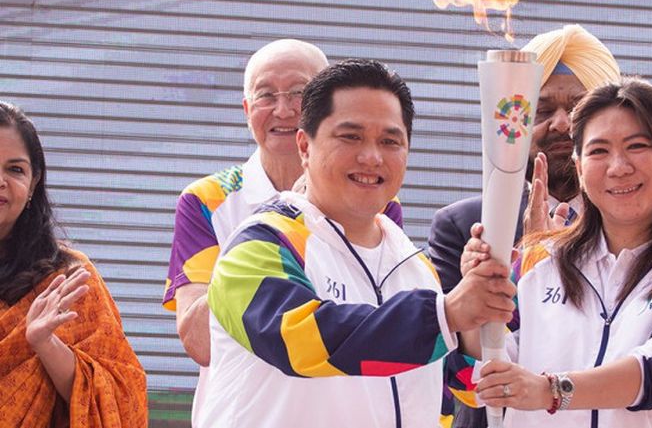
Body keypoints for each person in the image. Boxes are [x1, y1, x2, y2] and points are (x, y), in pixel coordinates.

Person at [198, 59, 516, 428]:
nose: (371, 156)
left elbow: (464, 386)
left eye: (389, 141)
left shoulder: (414, 265)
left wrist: (480, 313)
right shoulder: (261, 244)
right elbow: (301, 340)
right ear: (304, 145)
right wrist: (448, 312)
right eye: (350, 136)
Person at [162, 39, 401, 425]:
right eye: (266, 95)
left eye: (299, 93)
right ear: (246, 110)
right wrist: (277, 224)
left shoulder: (375, 202)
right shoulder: (207, 201)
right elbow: (199, 341)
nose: (284, 109)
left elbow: (384, 322)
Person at [453, 77, 652, 427]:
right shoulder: (536, 261)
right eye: (599, 151)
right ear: (579, 165)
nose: (618, 167)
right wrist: (475, 306)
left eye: (637, 146)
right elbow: (475, 378)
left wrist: (551, 391)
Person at [429, 24, 621, 295]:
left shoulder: (635, 220)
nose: (562, 124)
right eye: (542, 110)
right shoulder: (465, 228)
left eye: (578, 110)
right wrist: (476, 289)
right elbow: (445, 334)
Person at [0, 101, 147, 427]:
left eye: (15, 169)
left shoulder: (64, 276)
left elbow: (119, 399)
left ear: (33, 184)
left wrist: (45, 343)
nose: (1, 181)